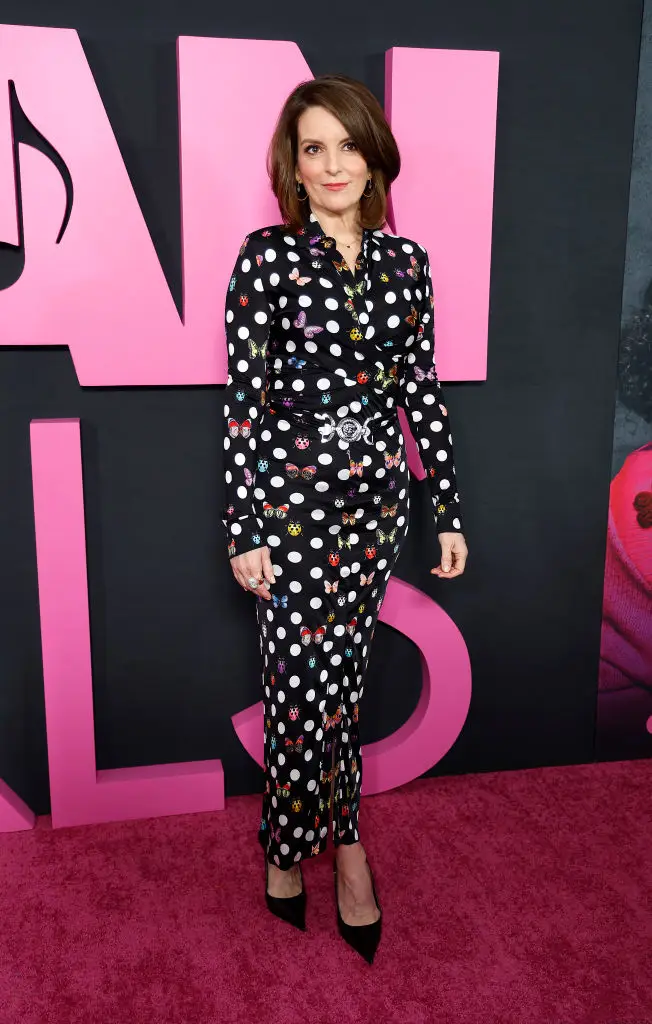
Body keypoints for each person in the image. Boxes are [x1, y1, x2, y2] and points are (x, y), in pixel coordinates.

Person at [221, 73, 468, 963]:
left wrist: (444, 506)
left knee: (342, 686)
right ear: (293, 163)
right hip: (288, 517)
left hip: (373, 518)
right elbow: (244, 403)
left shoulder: (408, 265)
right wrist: (244, 524)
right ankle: (328, 850)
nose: (331, 164)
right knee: (299, 693)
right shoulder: (267, 258)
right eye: (313, 147)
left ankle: (300, 846)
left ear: (374, 157)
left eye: (347, 145)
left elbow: (421, 396)